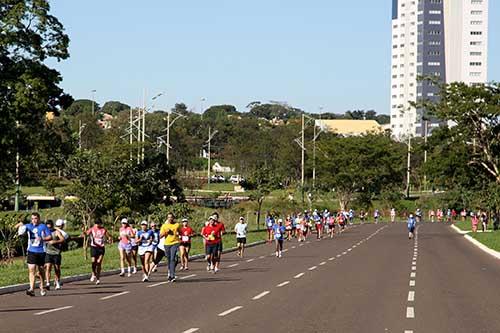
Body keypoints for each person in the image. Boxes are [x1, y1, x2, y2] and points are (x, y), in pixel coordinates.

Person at [15, 212, 52, 296]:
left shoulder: (43, 226)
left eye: (35, 218)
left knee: (41, 271)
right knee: (31, 269)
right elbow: (20, 232)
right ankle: (31, 288)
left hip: (41, 251)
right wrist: (20, 226)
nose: (34, 220)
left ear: (39, 218)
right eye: (32, 219)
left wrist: (43, 238)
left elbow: (50, 237)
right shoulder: (28, 226)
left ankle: (42, 287)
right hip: (31, 251)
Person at [86, 219, 110, 285]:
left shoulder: (103, 230)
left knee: (99, 262)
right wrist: (84, 232)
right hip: (93, 247)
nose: (97, 225)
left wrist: (109, 239)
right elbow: (86, 233)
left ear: (100, 223)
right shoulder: (92, 229)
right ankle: (93, 273)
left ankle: (98, 278)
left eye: (98, 223)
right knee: (93, 261)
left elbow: (108, 236)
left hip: (101, 247)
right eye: (96, 223)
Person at [44, 220, 65, 291]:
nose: (49, 229)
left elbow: (63, 239)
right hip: (48, 252)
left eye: (50, 228)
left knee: (57, 268)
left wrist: (55, 241)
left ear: (52, 226)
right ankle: (48, 283)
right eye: (47, 228)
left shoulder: (56, 232)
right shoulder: (45, 232)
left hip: (56, 253)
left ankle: (57, 281)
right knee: (48, 267)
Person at [159, 213, 181, 282]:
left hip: (175, 243)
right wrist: (166, 232)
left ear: (173, 218)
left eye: (171, 217)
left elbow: (180, 232)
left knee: (172, 258)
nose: (170, 218)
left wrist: (178, 234)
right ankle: (169, 273)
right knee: (169, 259)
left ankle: (172, 275)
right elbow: (160, 236)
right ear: (167, 218)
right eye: (168, 217)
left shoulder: (177, 224)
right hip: (167, 244)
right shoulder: (164, 226)